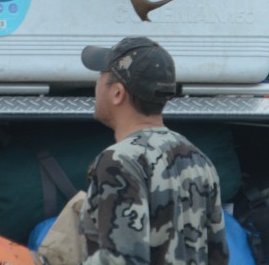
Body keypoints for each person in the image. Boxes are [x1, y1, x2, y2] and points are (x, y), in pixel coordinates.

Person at [79, 37, 229, 265]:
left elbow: (121, 260)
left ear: (117, 93)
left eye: (102, 74)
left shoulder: (119, 161)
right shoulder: (200, 160)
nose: (97, 83)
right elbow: (218, 257)